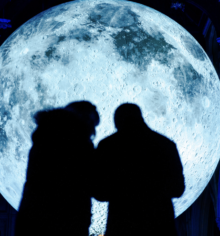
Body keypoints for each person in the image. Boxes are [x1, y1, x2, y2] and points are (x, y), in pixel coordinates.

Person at [92, 103, 185, 236]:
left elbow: (99, 192)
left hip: (122, 226)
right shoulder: (165, 145)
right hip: (160, 227)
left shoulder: (108, 146)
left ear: (117, 121)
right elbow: (178, 189)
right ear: (140, 117)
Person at [14, 101, 100, 236]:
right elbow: (95, 186)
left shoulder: (44, 137)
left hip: (31, 221)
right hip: (66, 224)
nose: (93, 131)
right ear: (84, 119)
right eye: (92, 123)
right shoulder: (78, 144)